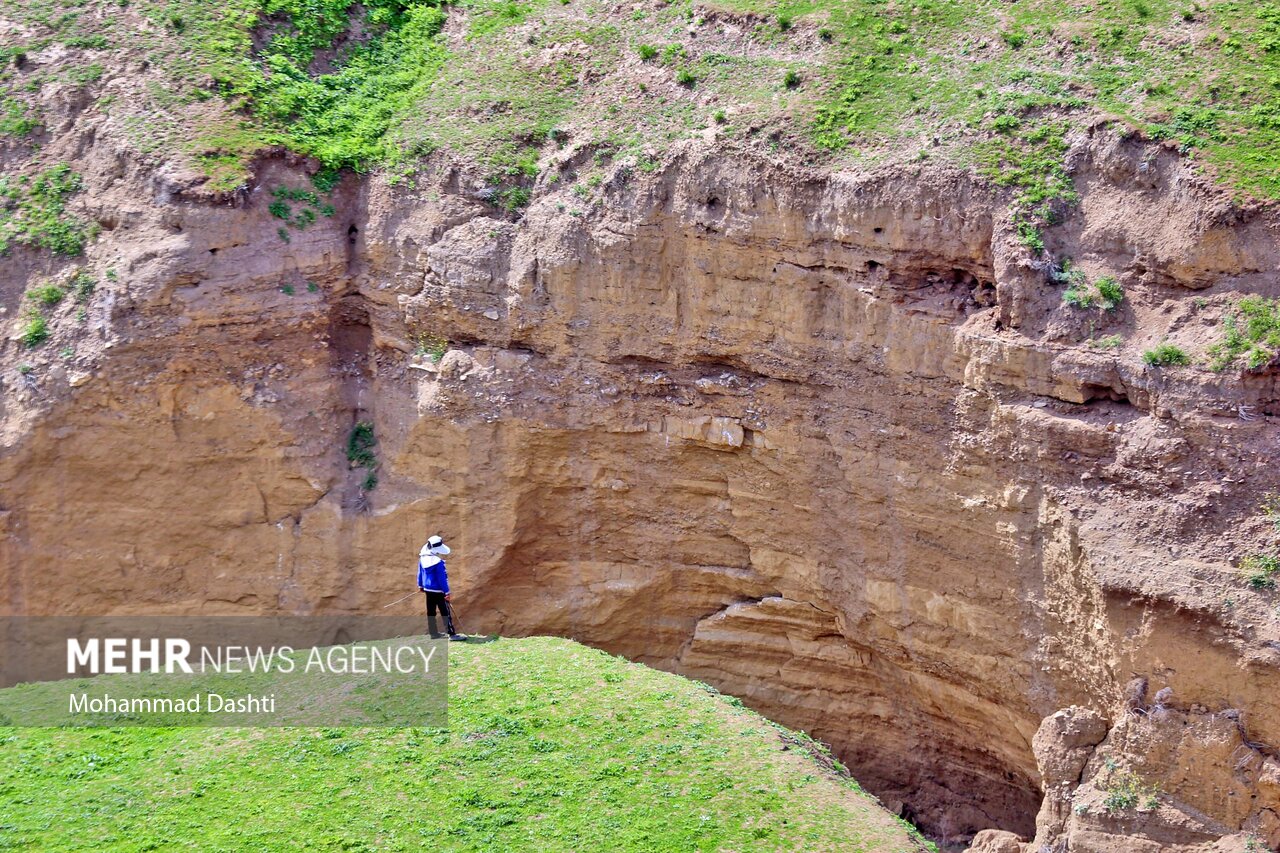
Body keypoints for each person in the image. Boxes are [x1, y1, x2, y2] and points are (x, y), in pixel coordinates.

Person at [418, 535, 464, 640]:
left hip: (428, 589)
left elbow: (419, 573)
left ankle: (433, 633)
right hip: (438, 591)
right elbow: (442, 579)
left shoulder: (422, 558)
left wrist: (420, 585)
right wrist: (447, 592)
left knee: (431, 612)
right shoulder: (438, 563)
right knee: (445, 612)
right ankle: (451, 634)